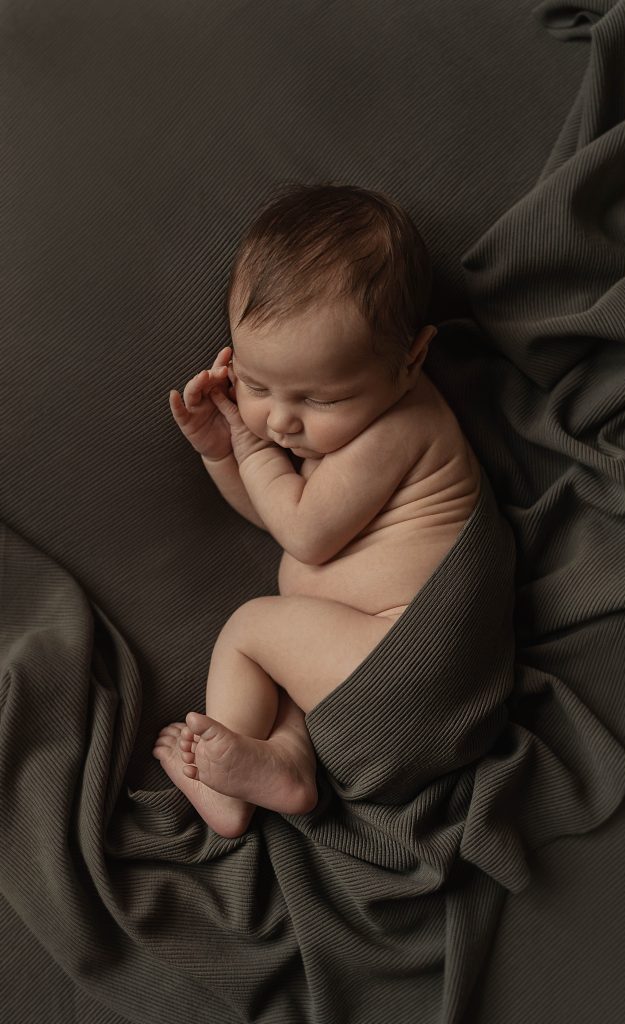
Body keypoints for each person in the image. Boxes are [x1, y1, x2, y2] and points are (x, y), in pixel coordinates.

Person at [153, 182, 481, 837]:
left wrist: (246, 445)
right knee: (287, 678)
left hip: (406, 666)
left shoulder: (402, 427)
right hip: (368, 688)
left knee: (250, 628)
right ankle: (284, 766)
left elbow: (302, 532)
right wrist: (221, 454)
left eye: (319, 400)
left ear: (410, 361)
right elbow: (278, 517)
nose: (279, 420)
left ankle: (215, 776)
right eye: (252, 384)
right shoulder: (348, 422)